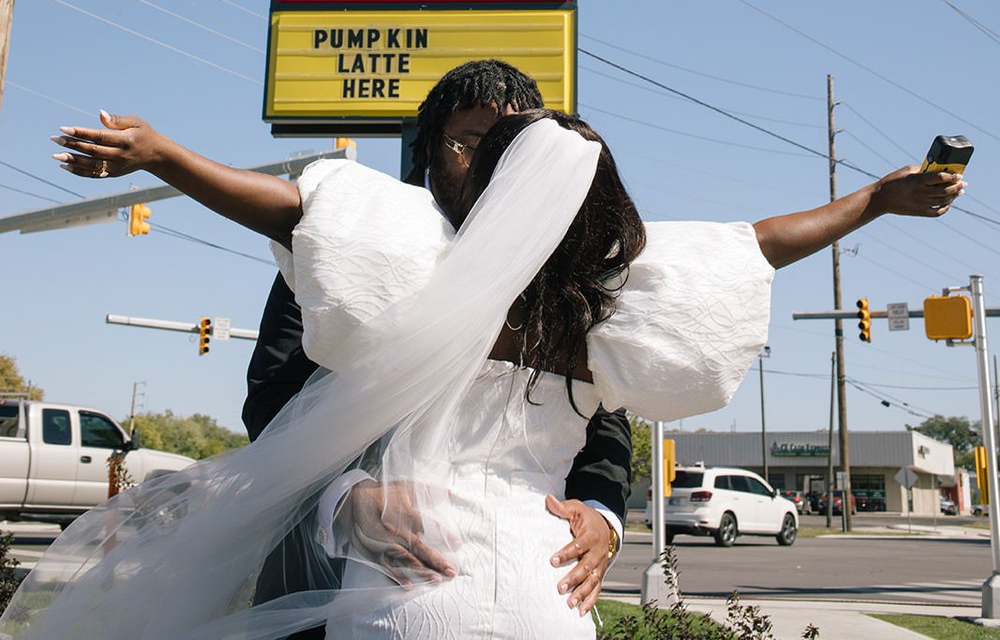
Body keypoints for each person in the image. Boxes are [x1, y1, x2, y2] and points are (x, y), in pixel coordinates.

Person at [3, 106, 963, 640]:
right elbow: (759, 244)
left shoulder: (415, 273)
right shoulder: (609, 310)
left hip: (412, 591)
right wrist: (876, 200)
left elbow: (288, 213)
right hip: (546, 596)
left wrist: (167, 152)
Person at [245, 60, 632, 628]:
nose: (488, 167)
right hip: (336, 581)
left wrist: (603, 518)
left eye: (510, 152)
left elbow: (605, 418)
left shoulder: (565, 270)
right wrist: (344, 496)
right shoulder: (349, 245)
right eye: (470, 143)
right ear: (425, 149)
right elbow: (274, 396)